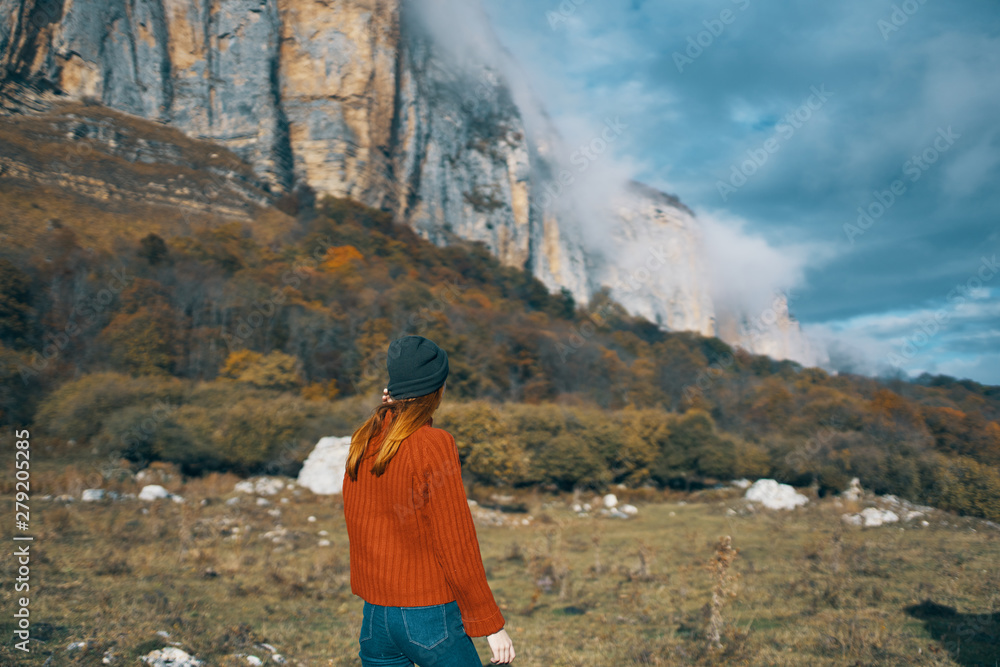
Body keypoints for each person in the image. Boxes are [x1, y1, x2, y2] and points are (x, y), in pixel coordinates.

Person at [342, 335, 516, 666]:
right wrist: (491, 626)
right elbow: (456, 543)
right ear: (437, 390)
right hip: (429, 616)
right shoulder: (434, 444)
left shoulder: (364, 440)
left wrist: (391, 410)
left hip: (376, 619)